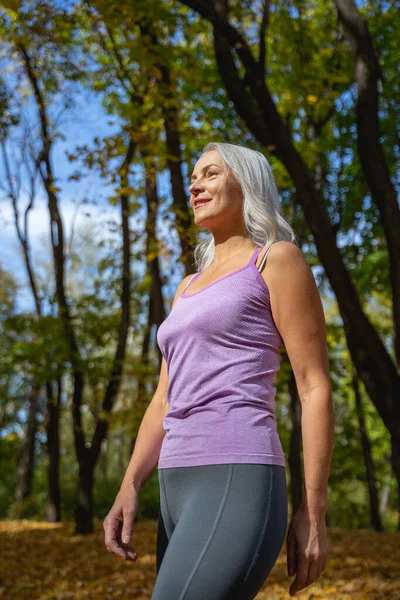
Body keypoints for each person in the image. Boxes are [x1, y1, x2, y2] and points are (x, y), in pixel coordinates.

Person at [103, 142, 334, 599]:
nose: (195, 185)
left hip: (237, 471)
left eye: (210, 174)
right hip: (174, 481)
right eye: (193, 177)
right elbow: (165, 398)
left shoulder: (275, 261)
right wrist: (130, 482)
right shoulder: (186, 287)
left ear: (247, 183)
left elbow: (314, 388)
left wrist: (313, 509)